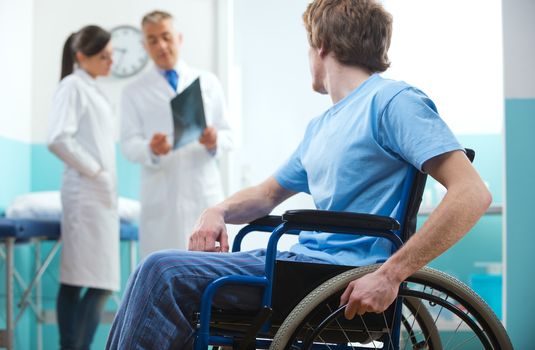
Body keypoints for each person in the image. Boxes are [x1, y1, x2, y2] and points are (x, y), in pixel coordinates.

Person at [106, 0, 492, 348]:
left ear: (321, 45)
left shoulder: (393, 102)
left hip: (330, 275)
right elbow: (266, 194)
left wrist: (392, 274)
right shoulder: (322, 126)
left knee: (163, 273)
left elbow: (472, 193)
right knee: (153, 272)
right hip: (299, 264)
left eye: (308, 46)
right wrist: (217, 211)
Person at [120, 10, 234, 258]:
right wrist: (150, 149)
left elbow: (228, 134)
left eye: (166, 36)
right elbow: (128, 144)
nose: (161, 45)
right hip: (162, 200)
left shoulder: (207, 82)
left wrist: (214, 141)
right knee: (164, 273)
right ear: (145, 46)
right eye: (152, 40)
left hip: (202, 191)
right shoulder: (132, 91)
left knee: (209, 272)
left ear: (178, 38)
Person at [48, 25, 119, 350]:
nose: (111, 61)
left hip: (98, 196)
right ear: (81, 57)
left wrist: (102, 175)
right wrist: (96, 171)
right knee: (81, 278)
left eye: (111, 54)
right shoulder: (72, 86)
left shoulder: (91, 87)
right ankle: (72, 347)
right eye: (103, 55)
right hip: (85, 195)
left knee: (99, 281)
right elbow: (58, 138)